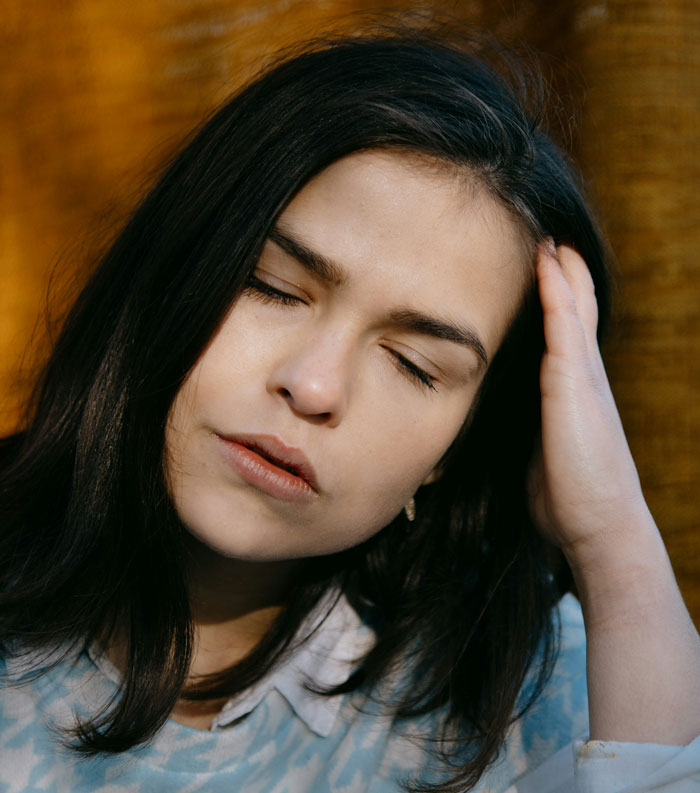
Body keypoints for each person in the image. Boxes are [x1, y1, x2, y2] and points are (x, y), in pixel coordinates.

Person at [1, 19, 698, 793]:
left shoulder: (522, 690)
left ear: (454, 449)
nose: (314, 386)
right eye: (273, 286)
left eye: (413, 363)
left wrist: (615, 543)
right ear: (174, 265)